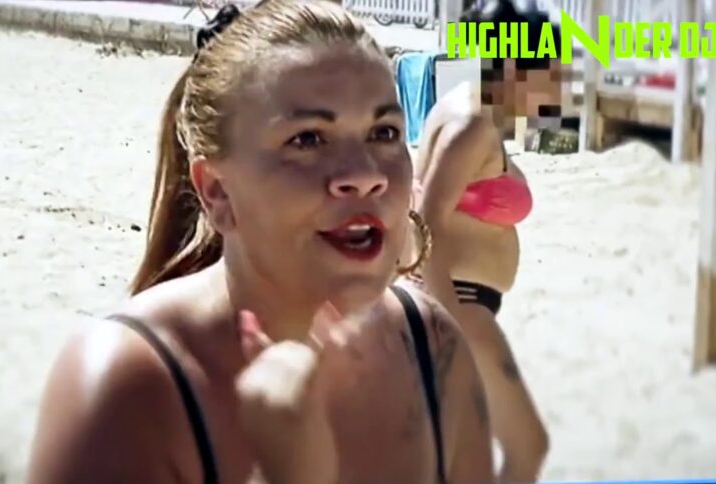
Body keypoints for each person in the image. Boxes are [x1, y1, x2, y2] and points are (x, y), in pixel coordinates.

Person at [26, 2, 494, 483]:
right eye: (308, 139)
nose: (364, 175)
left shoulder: (432, 345)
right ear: (217, 191)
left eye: (384, 132)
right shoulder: (127, 388)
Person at [411, 0, 565, 482]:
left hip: (461, 304)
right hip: (460, 306)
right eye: (552, 72)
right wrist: (450, 326)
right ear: (517, 67)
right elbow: (424, 221)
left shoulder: (475, 117)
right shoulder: (471, 125)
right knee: (527, 448)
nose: (559, 86)